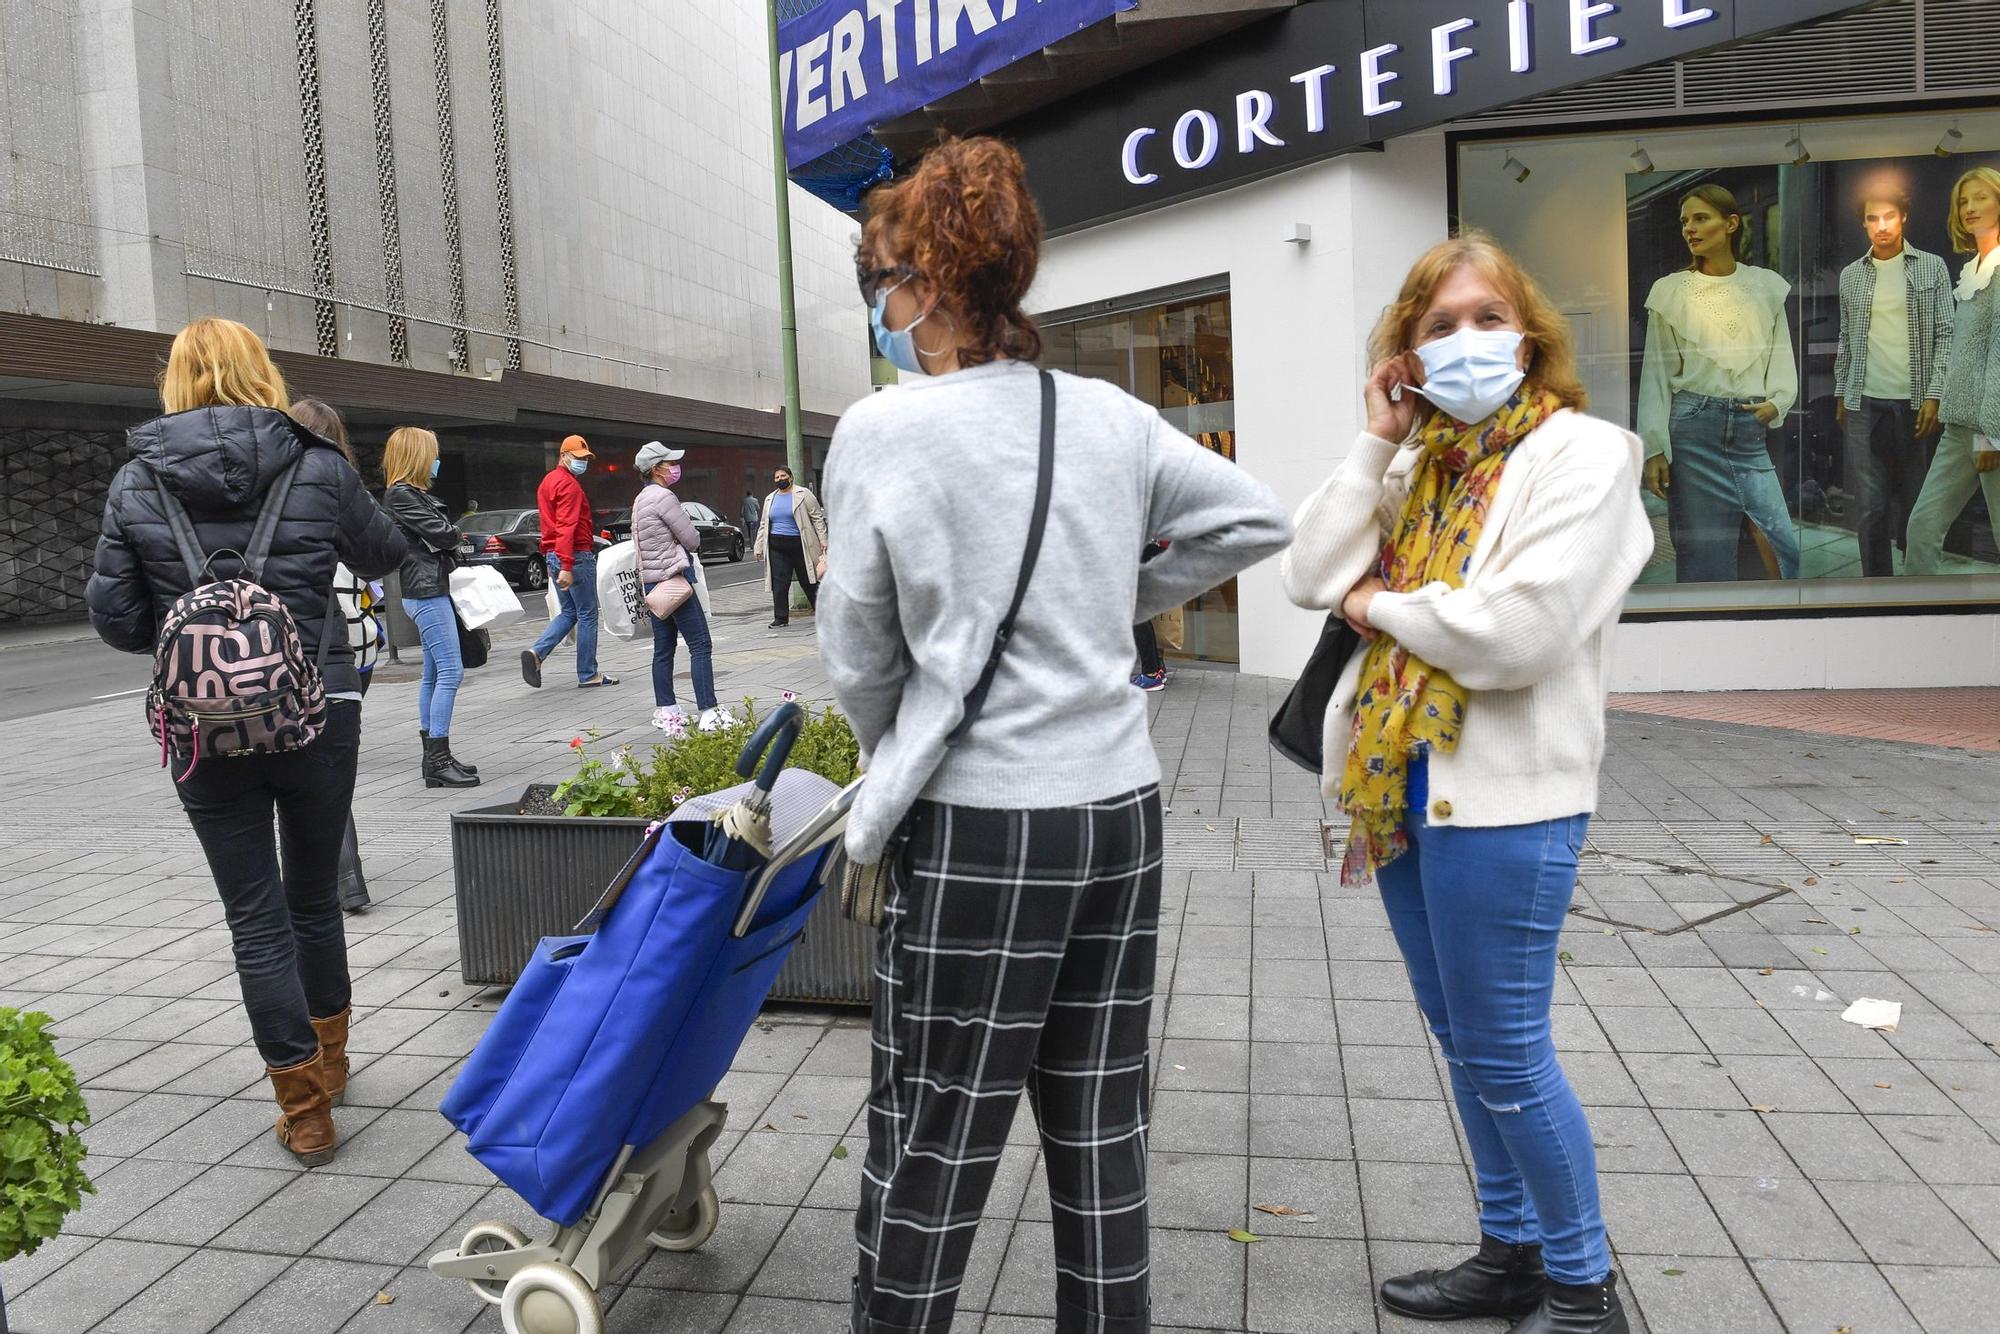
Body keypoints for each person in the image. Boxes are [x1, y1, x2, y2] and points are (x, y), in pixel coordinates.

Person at [821, 136, 1288, 1334]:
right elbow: (1249, 518)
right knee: (1097, 1124)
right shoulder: (1107, 416)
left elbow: (859, 655)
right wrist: (1103, 603)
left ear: (925, 281)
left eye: (880, 279)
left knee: (934, 1129)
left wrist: (910, 738)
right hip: (1116, 810)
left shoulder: (884, 433)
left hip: (978, 820)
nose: (878, 304)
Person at [1284, 233, 1653, 1334]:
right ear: (1403, 353)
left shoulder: (1586, 453)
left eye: (1486, 316)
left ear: (1528, 333)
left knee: (1505, 1047)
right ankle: (1510, 1251)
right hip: (1399, 781)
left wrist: (1374, 605)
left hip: (1511, 796)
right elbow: (1306, 570)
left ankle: (1583, 1291)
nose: (1465, 340)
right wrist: (1371, 440)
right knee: (1460, 1034)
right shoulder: (1416, 460)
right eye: (1436, 325)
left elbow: (1515, 632)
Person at [87, 317, 406, 1165]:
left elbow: (117, 621)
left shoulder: (137, 480)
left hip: (203, 731)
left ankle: (305, 1112)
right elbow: (382, 555)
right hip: (317, 711)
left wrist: (191, 621)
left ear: (176, 382)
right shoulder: (317, 459)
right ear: (262, 373)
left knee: (255, 919)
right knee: (312, 901)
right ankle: (334, 1065)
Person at [1637, 184, 1801, 582]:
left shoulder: (1765, 285)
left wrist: (1778, 402)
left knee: (1782, 548)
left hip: (1749, 432)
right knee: (1702, 553)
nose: (1689, 229)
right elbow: (1656, 373)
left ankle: (1774, 629)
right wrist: (1654, 447)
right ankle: (1704, 636)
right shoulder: (1670, 291)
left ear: (1730, 224)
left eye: (1700, 218)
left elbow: (1780, 352)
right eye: (1684, 221)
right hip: (1694, 430)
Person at [290, 397, 383, 913]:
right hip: (333, 655)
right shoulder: (337, 486)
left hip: (267, 664)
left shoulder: (261, 495)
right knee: (327, 782)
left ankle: (317, 883)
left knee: (288, 778)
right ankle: (346, 883)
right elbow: (383, 553)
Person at [1833, 183, 1954, 576]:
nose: (1881, 225)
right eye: (1872, 218)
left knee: (1918, 505)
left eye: (1889, 216)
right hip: (1864, 402)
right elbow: (1845, 338)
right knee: (1870, 507)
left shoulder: (1931, 266)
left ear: (1903, 217)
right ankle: (1876, 588)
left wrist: (1934, 395)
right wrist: (1841, 392)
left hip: (1914, 401)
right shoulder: (1852, 275)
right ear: (1864, 223)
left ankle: (1917, 585)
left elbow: (1945, 333)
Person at [1905, 165, 2000, 574]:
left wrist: (1992, 435)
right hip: (1958, 426)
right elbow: (1963, 349)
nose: (1970, 207)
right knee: (1921, 527)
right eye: (1963, 201)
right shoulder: (1971, 270)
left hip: (1988, 430)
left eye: (1981, 197)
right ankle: (1915, 617)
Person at [383, 427, 480, 789]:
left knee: (434, 675)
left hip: (429, 588)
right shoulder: (402, 495)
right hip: (426, 591)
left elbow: (440, 534)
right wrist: (452, 533)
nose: (436, 460)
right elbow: (444, 534)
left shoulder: (410, 495)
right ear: (418, 456)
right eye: (432, 453)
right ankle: (437, 759)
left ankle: (434, 758)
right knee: (451, 672)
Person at [634, 440, 727, 733]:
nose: (675, 468)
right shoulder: (664, 497)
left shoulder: (640, 499)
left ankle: (667, 711)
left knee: (663, 649)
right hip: (673, 582)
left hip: (652, 586)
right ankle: (709, 711)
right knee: (701, 645)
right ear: (656, 469)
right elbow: (693, 540)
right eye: (670, 463)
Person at [521, 434, 616, 688]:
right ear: (563, 456)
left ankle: (537, 653)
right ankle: (588, 674)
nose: (582, 462)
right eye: (577, 457)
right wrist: (566, 565)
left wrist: (558, 560)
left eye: (585, 458)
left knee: (570, 612)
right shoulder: (570, 486)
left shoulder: (548, 481)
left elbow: (551, 524)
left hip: (553, 554)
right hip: (574, 556)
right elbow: (567, 526)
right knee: (586, 614)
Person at [753, 464, 827, 628]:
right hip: (776, 545)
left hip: (800, 544)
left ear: (791, 477)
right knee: (779, 582)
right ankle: (780, 618)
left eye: (783, 476)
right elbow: (764, 524)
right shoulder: (770, 498)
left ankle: (824, 613)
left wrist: (823, 539)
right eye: (777, 477)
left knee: (809, 580)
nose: (780, 479)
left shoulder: (803, 494)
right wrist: (758, 547)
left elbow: (817, 518)